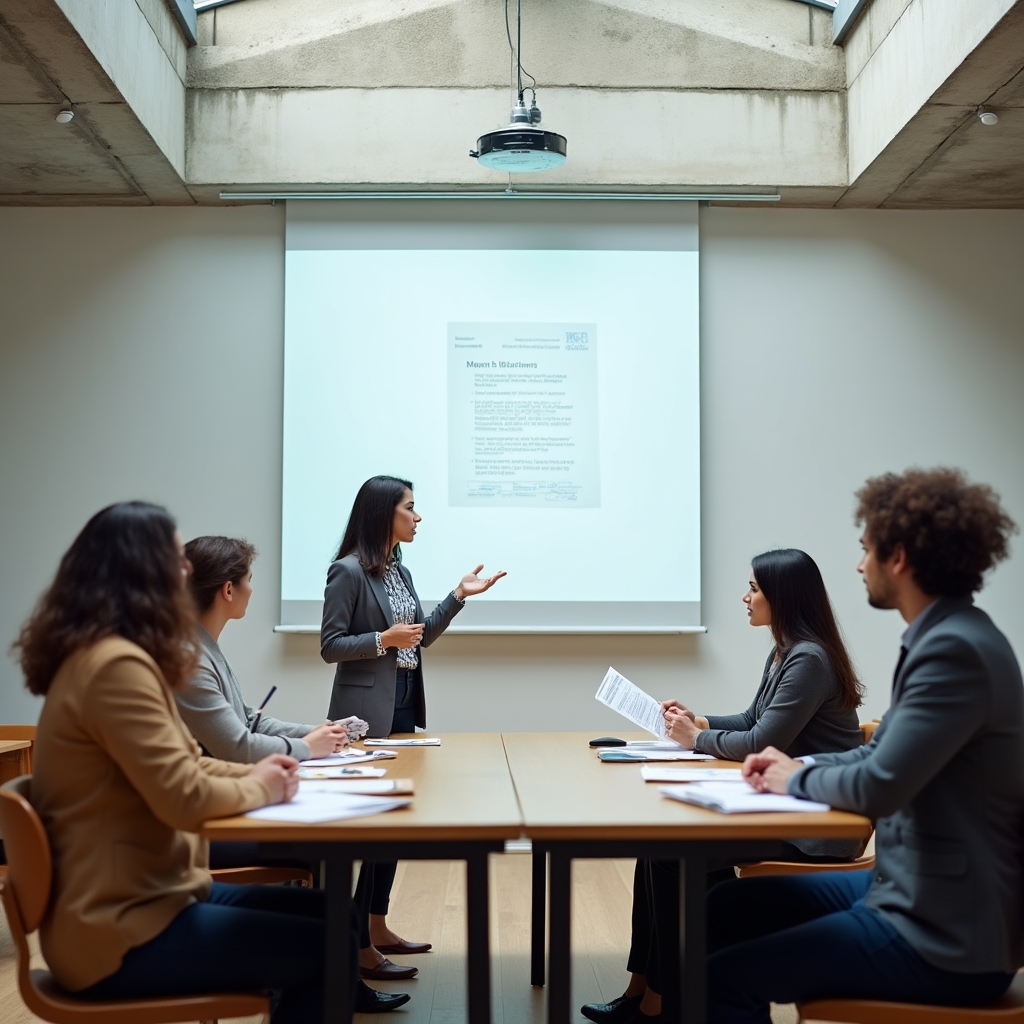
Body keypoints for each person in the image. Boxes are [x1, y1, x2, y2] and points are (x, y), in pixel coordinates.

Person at [14, 501, 406, 1021]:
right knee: (326, 943)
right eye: (175, 559)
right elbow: (184, 796)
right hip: (118, 932)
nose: (185, 573)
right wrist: (265, 783)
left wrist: (276, 770)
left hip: (158, 898)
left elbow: (190, 764)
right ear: (141, 571)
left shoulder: (117, 656)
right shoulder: (115, 669)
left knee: (338, 919)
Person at [709, 468, 1024, 1023]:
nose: (859, 565)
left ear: (897, 557)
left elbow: (880, 783)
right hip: (909, 888)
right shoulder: (946, 638)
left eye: (865, 550)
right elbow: (874, 753)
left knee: (721, 979)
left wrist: (792, 777)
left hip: (944, 935)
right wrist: (797, 761)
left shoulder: (955, 653)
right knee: (722, 908)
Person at [583, 549, 864, 1024]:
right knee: (657, 847)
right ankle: (644, 989)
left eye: (754, 588)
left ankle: (662, 1002)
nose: (745, 597)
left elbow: (760, 741)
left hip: (817, 827)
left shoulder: (809, 659)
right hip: (786, 806)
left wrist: (697, 739)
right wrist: (701, 720)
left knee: (673, 854)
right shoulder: (786, 651)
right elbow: (755, 720)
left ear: (783, 596)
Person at [321, 474, 506, 973]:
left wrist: (459, 596)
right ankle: (359, 945)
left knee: (395, 822)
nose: (419, 516)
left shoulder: (398, 571)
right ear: (386, 514)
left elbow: (418, 638)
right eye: (411, 507)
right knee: (372, 828)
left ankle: (377, 925)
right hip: (364, 713)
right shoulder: (347, 572)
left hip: (403, 705)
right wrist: (382, 639)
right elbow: (330, 645)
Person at [176, 535, 351, 764]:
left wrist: (314, 732)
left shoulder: (204, 647)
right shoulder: (191, 660)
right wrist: (307, 747)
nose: (250, 590)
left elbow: (248, 721)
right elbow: (237, 747)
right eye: (248, 580)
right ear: (228, 590)